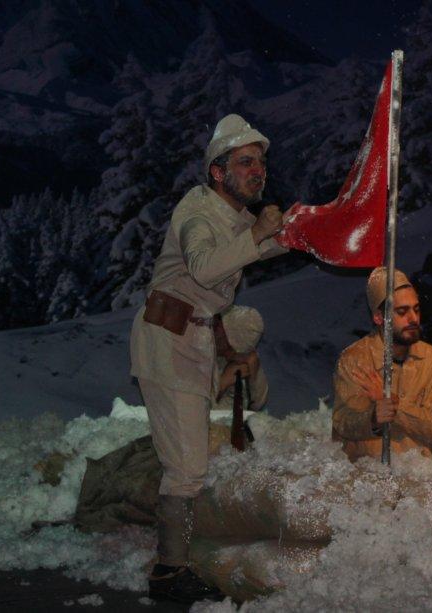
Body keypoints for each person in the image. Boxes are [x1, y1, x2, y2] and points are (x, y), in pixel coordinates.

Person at [128, 114, 291, 603]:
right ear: (218, 173)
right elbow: (203, 268)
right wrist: (261, 232)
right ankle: (168, 572)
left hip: (192, 339)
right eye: (245, 162)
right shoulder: (199, 212)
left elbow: (253, 252)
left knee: (188, 460)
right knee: (187, 466)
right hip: (170, 337)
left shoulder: (236, 218)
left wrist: (301, 234)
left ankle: (175, 560)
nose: (257, 171)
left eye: (260, 162)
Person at [332, 267, 432, 461]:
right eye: (402, 312)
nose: (413, 318)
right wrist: (373, 419)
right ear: (379, 317)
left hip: (416, 471)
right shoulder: (355, 359)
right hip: (366, 475)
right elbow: (343, 423)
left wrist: (394, 406)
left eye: (416, 309)